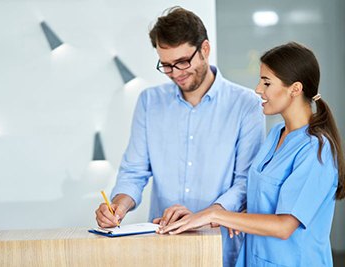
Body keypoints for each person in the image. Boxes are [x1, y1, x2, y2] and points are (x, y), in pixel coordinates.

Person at [95, 6, 265, 266]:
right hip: (161, 248)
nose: (176, 72)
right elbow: (134, 172)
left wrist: (203, 216)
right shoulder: (149, 102)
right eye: (166, 65)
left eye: (183, 62)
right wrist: (119, 205)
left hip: (220, 248)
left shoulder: (247, 105)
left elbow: (245, 183)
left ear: (205, 49)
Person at [159, 42, 345, 266]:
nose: (258, 89)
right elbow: (263, 203)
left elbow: (285, 226)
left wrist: (214, 215)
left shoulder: (316, 150)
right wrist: (198, 218)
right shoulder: (276, 133)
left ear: (295, 89)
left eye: (266, 82)